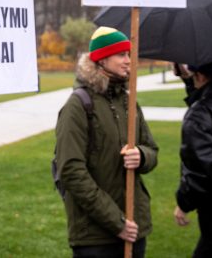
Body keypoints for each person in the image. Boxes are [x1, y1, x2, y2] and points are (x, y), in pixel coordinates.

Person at [55, 26, 158, 258]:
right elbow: (71, 170)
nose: (128, 61)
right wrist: (116, 221)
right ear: (101, 59)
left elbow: (152, 150)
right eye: (121, 55)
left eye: (129, 54)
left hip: (134, 227)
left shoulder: (128, 102)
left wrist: (141, 156)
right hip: (95, 236)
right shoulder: (77, 105)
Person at [174, 60, 212, 257]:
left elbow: (201, 171)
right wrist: (188, 79)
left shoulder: (199, 115)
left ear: (200, 76)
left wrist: (183, 202)